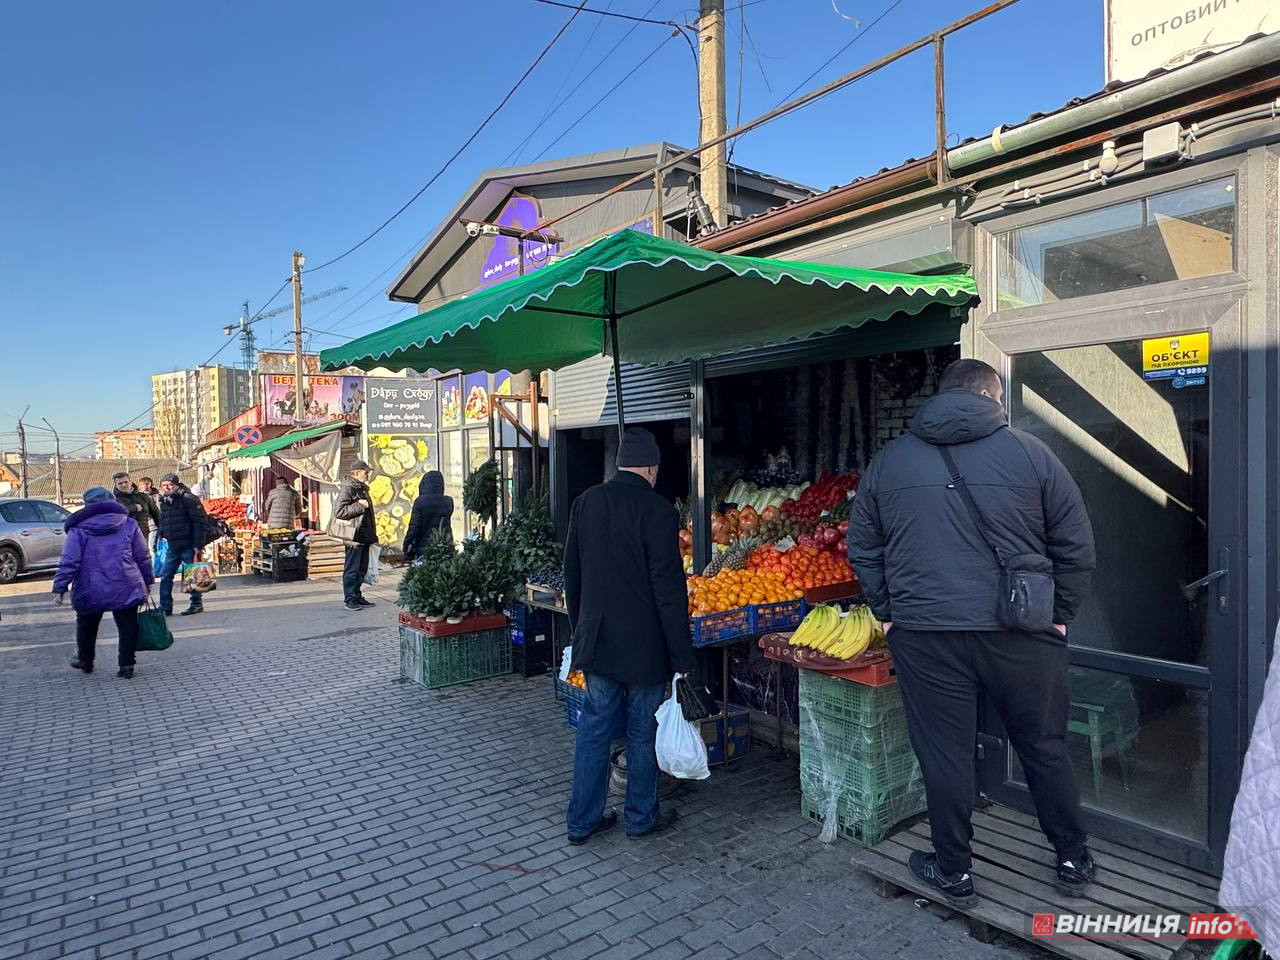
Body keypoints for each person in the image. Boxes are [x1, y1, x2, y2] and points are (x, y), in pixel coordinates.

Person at [848, 358, 1097, 906]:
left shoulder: (889, 461)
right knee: (1044, 745)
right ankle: (1072, 859)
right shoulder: (1032, 453)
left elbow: (863, 546)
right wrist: (1061, 614)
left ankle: (954, 872)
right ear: (991, 395)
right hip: (1022, 629)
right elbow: (1075, 545)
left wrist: (888, 612)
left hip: (925, 633)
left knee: (945, 754)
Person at [563, 427, 695, 844]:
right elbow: (668, 591)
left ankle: (581, 821)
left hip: (598, 639)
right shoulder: (658, 511)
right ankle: (640, 817)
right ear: (652, 469)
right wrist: (683, 656)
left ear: (621, 464)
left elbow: (572, 575)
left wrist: (580, 631)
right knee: (642, 729)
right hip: (644, 647)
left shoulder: (586, 502)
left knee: (594, 729)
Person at [52, 486, 153, 679]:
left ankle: (85, 661)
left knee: (87, 624)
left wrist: (60, 587)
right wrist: (147, 579)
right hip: (126, 582)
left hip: (90, 585)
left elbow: (70, 560)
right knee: (127, 624)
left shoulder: (79, 529)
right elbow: (142, 555)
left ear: (87, 505)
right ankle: (127, 665)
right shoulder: (129, 524)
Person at [156, 473, 208, 617]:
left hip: (189, 544)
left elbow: (200, 522)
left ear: (177, 485)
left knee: (194, 575)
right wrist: (162, 533)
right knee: (165, 576)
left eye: (170, 485)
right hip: (173, 546)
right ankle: (165, 606)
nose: (167, 487)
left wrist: (198, 544)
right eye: (164, 485)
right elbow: (163, 519)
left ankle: (196, 604)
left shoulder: (188, 499)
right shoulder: (164, 500)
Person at [334, 460, 377, 611]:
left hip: (364, 535)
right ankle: (350, 599)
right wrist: (359, 505)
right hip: (354, 536)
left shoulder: (361, 488)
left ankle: (357, 596)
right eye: (366, 472)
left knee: (361, 568)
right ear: (357, 473)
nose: (368, 475)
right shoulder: (348, 488)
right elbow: (339, 511)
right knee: (352, 569)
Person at [402, 470, 453, 561]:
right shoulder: (448, 502)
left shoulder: (419, 502)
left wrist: (406, 546)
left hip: (425, 550)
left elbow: (414, 528)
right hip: (444, 548)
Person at [112, 471, 160, 549]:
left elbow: (156, 514)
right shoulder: (113, 499)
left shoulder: (143, 497)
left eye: (126, 482)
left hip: (142, 535)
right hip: (122, 537)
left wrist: (162, 530)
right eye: (120, 483)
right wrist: (134, 507)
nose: (123, 485)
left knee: (144, 555)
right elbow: (115, 514)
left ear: (130, 482)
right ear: (116, 485)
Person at [137, 476, 160, 553]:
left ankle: (153, 561)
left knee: (151, 547)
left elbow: (158, 511)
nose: (139, 486)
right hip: (142, 526)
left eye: (141, 484)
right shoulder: (138, 496)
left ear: (148, 484)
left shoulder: (156, 496)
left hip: (152, 525)